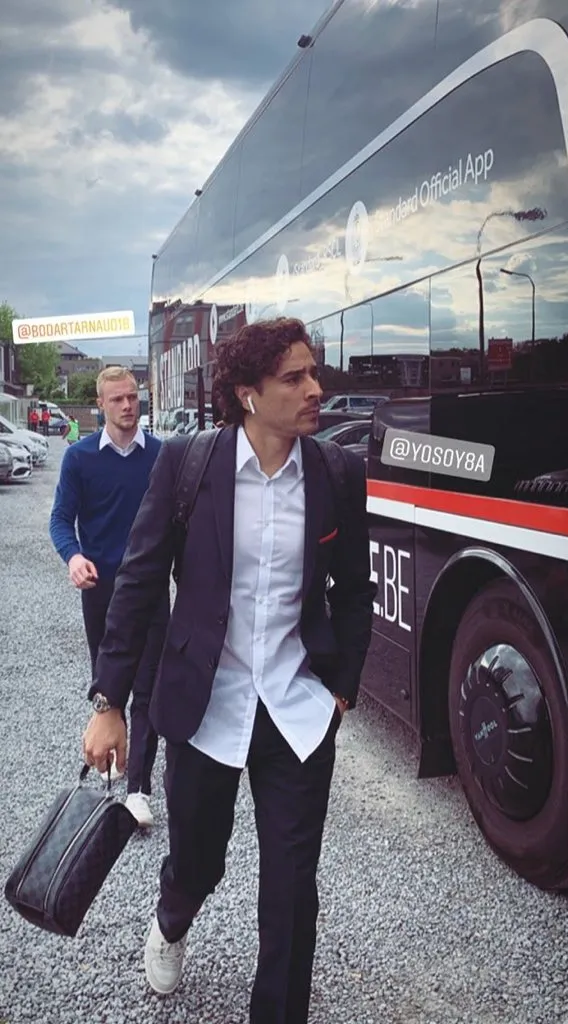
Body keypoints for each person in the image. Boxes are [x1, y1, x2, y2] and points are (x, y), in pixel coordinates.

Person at [82, 318, 376, 1023]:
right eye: (295, 378)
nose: (315, 389)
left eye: (314, 372)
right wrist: (109, 699)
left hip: (297, 708)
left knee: (290, 885)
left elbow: (353, 590)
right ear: (248, 395)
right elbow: (142, 582)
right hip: (204, 703)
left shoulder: (336, 472)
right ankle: (172, 919)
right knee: (198, 861)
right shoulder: (188, 465)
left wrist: (341, 688)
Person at [50, 366, 169, 827]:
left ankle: (138, 789)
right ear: (100, 405)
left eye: (133, 397)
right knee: (108, 681)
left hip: (152, 591)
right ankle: (111, 750)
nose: (127, 405)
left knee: (150, 689)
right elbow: (61, 519)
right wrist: (73, 557)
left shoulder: (160, 456)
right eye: (117, 399)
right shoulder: (80, 459)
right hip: (101, 590)